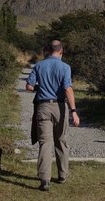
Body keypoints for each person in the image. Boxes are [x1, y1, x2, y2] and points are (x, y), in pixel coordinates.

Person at [26, 40, 80, 191]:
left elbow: (29, 87)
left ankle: (44, 179)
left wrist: (40, 86)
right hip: (60, 107)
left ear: (48, 50)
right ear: (61, 51)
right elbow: (68, 89)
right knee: (61, 141)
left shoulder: (39, 66)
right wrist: (73, 111)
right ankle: (62, 174)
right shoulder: (65, 67)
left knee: (45, 143)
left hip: (43, 107)